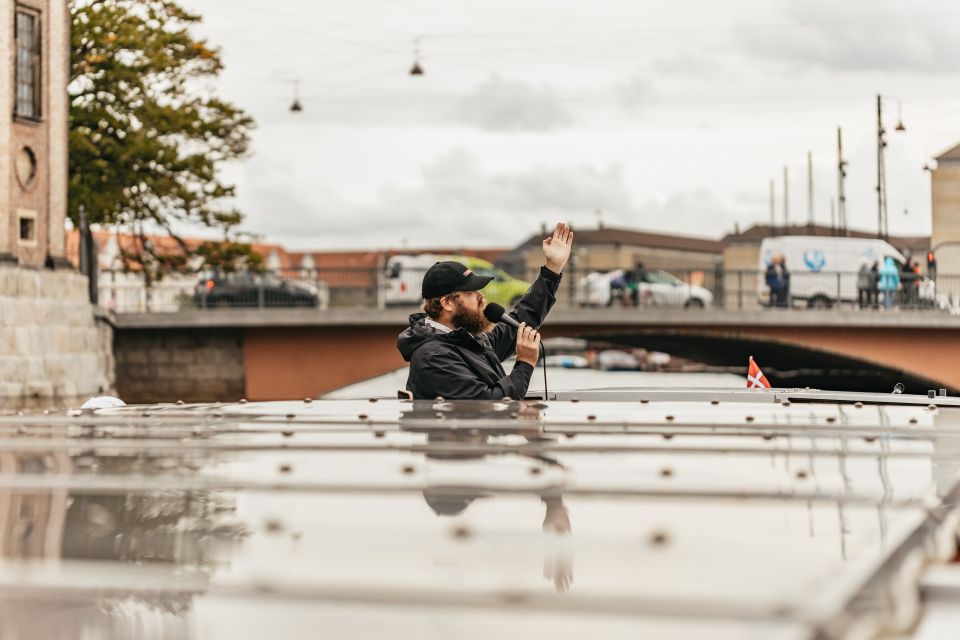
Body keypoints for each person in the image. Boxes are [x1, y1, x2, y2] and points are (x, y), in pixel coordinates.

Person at [398, 222, 574, 400]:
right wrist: (525, 363)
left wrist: (552, 270)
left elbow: (521, 320)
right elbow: (488, 404)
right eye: (471, 292)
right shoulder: (434, 358)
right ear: (447, 303)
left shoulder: (468, 341)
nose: (481, 296)